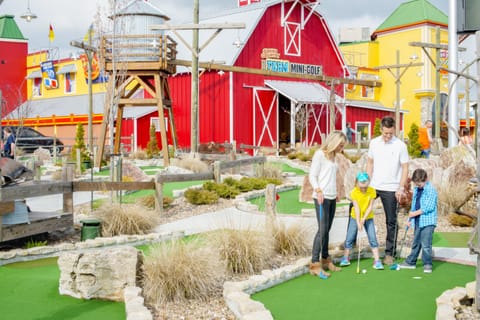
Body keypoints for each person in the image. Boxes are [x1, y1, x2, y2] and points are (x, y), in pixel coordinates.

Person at [366, 116, 409, 265]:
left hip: (391, 188)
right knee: (354, 208)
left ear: (394, 130)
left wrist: (401, 187)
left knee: (391, 221)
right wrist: (366, 182)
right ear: (381, 130)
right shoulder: (374, 143)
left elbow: (405, 168)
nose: (388, 136)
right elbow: (370, 163)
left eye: (391, 133)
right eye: (385, 133)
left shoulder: (400, 146)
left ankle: (389, 253)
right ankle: (349, 245)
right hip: (374, 185)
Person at [308, 131, 347, 278]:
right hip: (321, 198)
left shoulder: (334, 157)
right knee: (322, 230)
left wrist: (335, 192)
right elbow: (313, 175)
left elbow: (330, 177)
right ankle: (314, 264)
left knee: (327, 230)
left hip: (331, 197)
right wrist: (318, 190)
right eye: (340, 145)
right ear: (334, 142)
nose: (341, 148)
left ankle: (325, 259)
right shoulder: (320, 154)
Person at [339, 172, 384, 270]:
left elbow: (370, 207)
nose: (363, 188)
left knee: (372, 237)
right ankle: (345, 258)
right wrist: (359, 221)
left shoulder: (372, 191)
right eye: (361, 186)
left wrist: (363, 219)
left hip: (368, 217)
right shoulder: (354, 192)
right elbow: (356, 208)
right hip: (355, 216)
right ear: (357, 183)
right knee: (350, 237)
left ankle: (377, 260)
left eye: (365, 186)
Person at [400, 169, 437, 273]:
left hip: (428, 222)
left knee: (426, 244)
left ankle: (427, 264)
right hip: (417, 220)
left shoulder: (431, 190)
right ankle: (411, 262)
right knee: (416, 242)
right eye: (416, 183)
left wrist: (414, 214)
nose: (418, 185)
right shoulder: (416, 190)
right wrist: (410, 219)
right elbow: (414, 206)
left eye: (420, 183)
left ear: (426, 179)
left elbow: (428, 207)